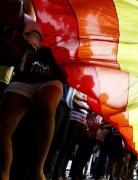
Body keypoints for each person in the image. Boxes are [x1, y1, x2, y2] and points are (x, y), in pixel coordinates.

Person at [0, 13, 65, 180]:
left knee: (45, 105)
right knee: (3, 129)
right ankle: (3, 173)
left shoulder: (66, 32)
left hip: (51, 77)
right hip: (25, 76)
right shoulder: (32, 22)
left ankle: (38, 170)